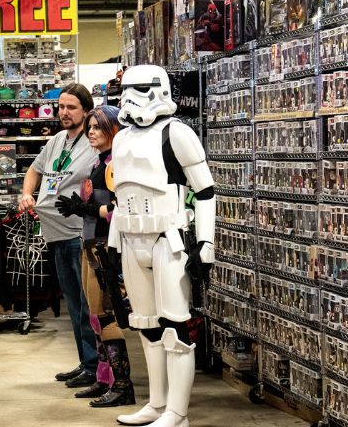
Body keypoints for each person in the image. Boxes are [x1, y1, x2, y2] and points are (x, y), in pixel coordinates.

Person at [109, 65, 216, 427]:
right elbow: (120, 194)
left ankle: (177, 412)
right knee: (147, 326)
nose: (129, 97)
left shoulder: (178, 133)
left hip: (167, 240)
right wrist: (112, 244)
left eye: (137, 88)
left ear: (158, 89)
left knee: (175, 329)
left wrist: (206, 245)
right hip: (130, 239)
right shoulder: (121, 138)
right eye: (125, 89)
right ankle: (156, 404)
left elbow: (205, 191)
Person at [19, 83, 99, 388]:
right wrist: (27, 194)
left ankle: (96, 366)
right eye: (61, 107)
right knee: (74, 305)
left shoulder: (94, 142)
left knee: (87, 305)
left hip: (79, 233)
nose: (64, 113)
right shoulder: (56, 141)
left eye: (71, 108)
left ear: (86, 110)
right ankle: (86, 362)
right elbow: (34, 171)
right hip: (54, 233)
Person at [55, 105, 135, 408]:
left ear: (113, 129)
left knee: (107, 313)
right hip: (91, 243)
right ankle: (106, 380)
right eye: (89, 127)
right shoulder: (102, 163)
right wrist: (83, 207)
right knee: (95, 314)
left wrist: (88, 209)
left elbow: (121, 209)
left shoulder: (116, 164)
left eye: (97, 127)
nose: (91, 132)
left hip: (105, 246)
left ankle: (123, 385)